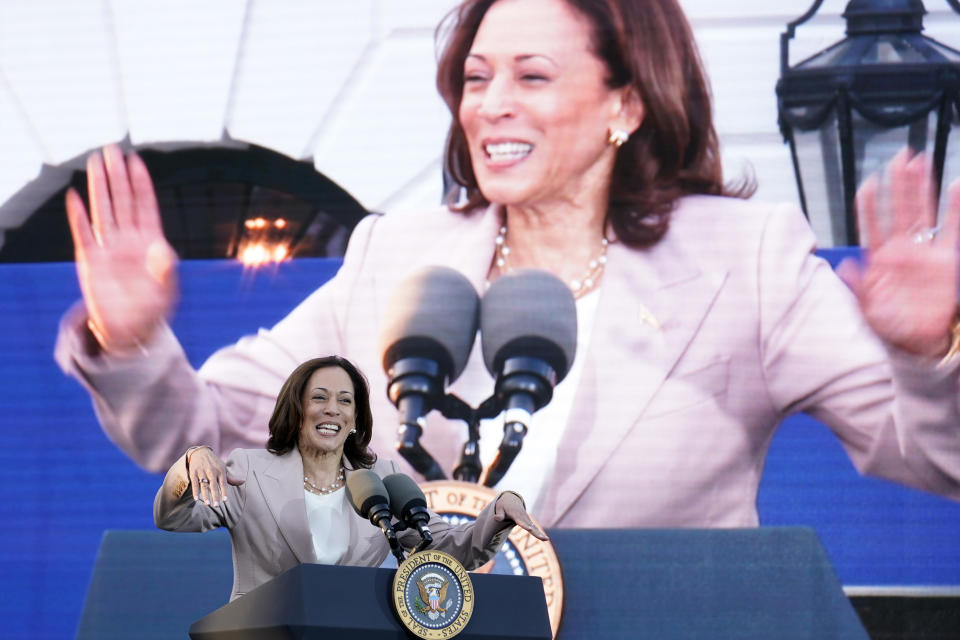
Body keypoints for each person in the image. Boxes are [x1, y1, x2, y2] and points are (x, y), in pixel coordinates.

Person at [58, 0, 960, 528]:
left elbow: (928, 457)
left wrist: (930, 356)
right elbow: (207, 432)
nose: (490, 106)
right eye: (477, 78)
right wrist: (130, 340)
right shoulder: (394, 258)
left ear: (625, 105)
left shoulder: (745, 259)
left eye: (531, 77)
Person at [155, 355, 545, 601]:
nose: (333, 410)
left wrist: (498, 513)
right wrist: (191, 463)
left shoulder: (384, 479)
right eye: (319, 398)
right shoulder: (250, 469)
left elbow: (446, 552)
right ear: (298, 407)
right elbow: (174, 518)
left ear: (356, 418)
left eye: (345, 401)